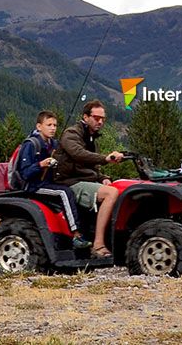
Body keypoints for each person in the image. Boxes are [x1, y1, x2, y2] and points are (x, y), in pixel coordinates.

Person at [53, 100, 123, 258]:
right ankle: (98, 245)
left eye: (103, 118)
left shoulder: (91, 138)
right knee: (111, 194)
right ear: (85, 117)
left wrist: (103, 177)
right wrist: (105, 158)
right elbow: (78, 154)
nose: (100, 121)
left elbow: (91, 167)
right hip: (70, 181)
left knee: (118, 187)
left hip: (83, 180)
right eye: (96, 117)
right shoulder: (72, 134)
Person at [19, 110, 92, 250]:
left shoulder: (53, 144)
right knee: (65, 193)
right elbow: (25, 173)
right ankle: (76, 235)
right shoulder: (31, 144)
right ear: (39, 126)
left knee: (70, 190)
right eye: (49, 125)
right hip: (34, 185)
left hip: (49, 182)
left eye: (55, 125)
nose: (53, 128)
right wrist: (41, 164)